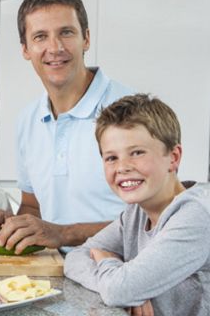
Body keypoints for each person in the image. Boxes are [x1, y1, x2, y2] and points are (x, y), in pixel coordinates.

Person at [0, 0, 133, 253]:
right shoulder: (29, 120)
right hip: (56, 271)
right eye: (40, 36)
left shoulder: (131, 114)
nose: (55, 48)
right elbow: (34, 207)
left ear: (85, 38)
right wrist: (16, 224)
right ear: (25, 49)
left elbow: (158, 221)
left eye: (66, 32)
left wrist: (64, 234)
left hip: (121, 274)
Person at [64, 94, 210, 316]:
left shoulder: (197, 215)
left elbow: (118, 290)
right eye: (111, 158)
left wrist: (109, 262)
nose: (122, 167)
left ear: (173, 157)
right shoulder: (136, 212)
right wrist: (122, 280)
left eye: (137, 152)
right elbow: (75, 258)